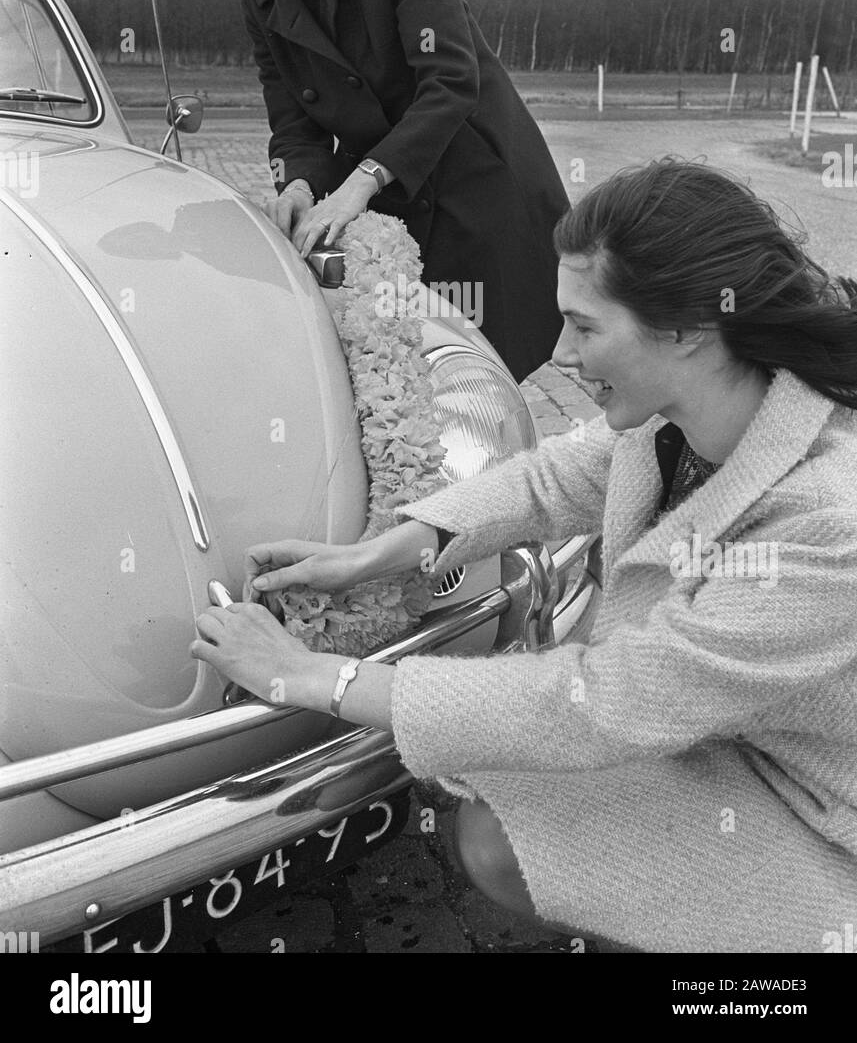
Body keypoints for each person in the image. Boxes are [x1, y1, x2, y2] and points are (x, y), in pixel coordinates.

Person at [190, 158, 857, 953]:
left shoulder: (827, 523)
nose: (560, 355)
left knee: (503, 835)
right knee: (494, 826)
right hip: (725, 738)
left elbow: (611, 700)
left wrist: (307, 676)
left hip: (822, 811)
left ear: (684, 330)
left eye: (584, 327)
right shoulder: (702, 410)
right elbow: (555, 479)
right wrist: (373, 557)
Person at [188, 0, 569, 383]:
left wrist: (357, 184)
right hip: (394, 215)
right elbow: (296, 123)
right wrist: (298, 185)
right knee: (416, 383)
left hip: (477, 186)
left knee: (492, 381)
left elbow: (448, 84)